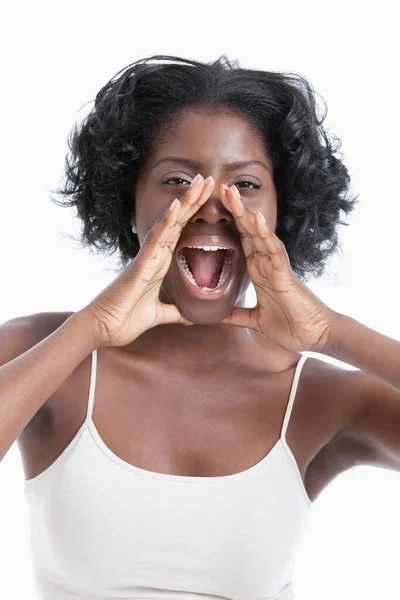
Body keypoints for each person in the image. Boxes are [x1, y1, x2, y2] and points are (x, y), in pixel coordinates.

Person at [1, 54, 400, 600]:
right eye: (179, 180)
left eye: (246, 185)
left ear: (283, 210)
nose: (211, 209)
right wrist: (92, 327)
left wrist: (334, 333)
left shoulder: (322, 396)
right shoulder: (39, 351)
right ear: (129, 203)